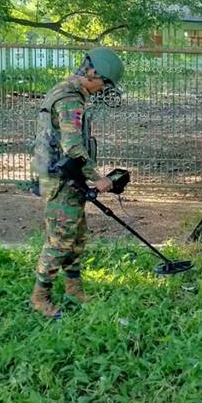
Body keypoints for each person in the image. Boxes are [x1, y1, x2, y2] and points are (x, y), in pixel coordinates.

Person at [29, 47, 124, 318]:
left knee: (77, 237)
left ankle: (74, 288)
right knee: (59, 241)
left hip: (69, 178)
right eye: (104, 82)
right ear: (92, 72)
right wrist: (99, 178)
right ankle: (40, 297)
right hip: (61, 181)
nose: (103, 88)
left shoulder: (70, 92)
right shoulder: (70, 99)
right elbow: (72, 147)